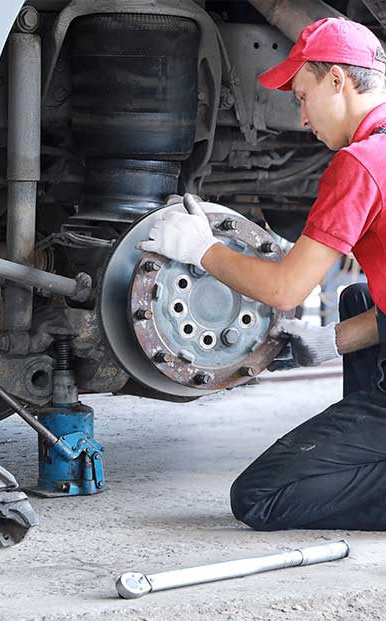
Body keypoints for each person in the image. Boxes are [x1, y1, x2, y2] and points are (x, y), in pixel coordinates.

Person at [138, 17, 386, 530]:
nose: (301, 116)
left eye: (302, 95)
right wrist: (328, 341)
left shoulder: (362, 163)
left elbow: (286, 289)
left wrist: (201, 250)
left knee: (259, 497)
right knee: (359, 298)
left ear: (337, 79)